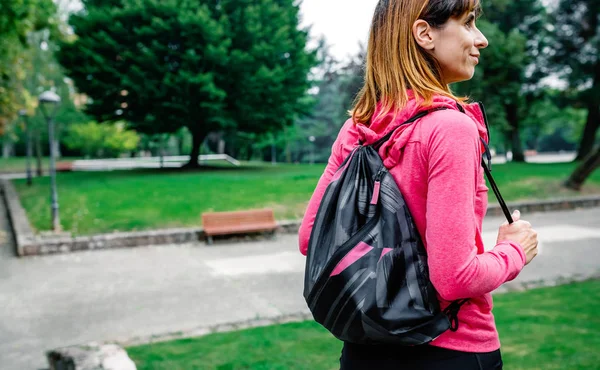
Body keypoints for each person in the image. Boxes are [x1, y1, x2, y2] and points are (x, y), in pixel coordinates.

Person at [298, 0, 539, 369]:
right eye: (469, 23)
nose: (482, 39)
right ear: (425, 33)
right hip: (450, 348)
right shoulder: (450, 128)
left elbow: (309, 239)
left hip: (364, 350)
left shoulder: (358, 129)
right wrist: (515, 250)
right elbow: (455, 279)